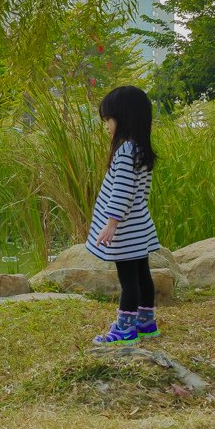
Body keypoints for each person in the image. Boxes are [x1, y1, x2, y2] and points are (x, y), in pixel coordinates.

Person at [86, 85, 160, 345]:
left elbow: (122, 191)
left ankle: (125, 328)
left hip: (126, 229)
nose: (106, 125)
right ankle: (146, 321)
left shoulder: (126, 151)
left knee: (128, 281)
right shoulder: (141, 149)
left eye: (109, 119)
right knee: (142, 275)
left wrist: (111, 224)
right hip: (139, 225)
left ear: (125, 118)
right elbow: (140, 193)